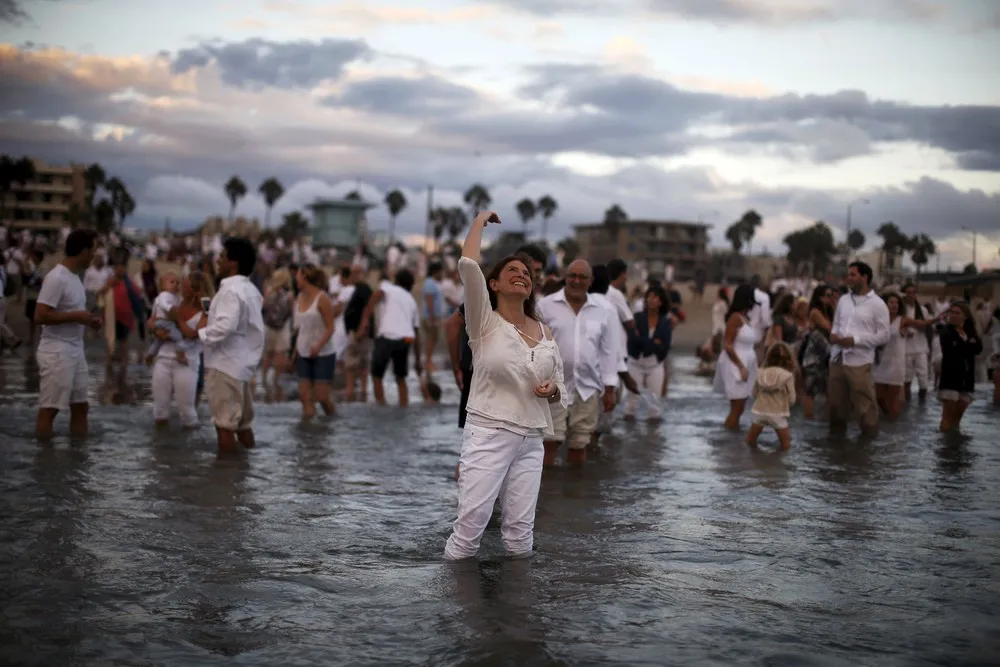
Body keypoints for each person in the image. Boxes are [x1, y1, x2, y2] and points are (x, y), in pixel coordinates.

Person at [444, 211, 565, 561]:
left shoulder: (545, 332)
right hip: (488, 432)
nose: (521, 275)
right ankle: (453, 610)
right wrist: (480, 220)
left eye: (526, 273)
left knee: (520, 538)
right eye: (511, 270)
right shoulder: (484, 321)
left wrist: (551, 390)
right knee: (469, 533)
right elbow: (468, 264)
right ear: (493, 284)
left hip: (532, 439)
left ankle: (515, 613)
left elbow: (558, 386)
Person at [536, 259, 619, 467]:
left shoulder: (604, 310)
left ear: (590, 281)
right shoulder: (545, 306)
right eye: (572, 275)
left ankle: (575, 493)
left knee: (580, 444)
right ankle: (547, 494)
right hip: (552, 387)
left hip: (587, 388)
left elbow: (608, 351)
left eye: (582, 277)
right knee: (549, 442)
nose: (576, 281)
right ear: (565, 277)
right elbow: (534, 345)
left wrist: (610, 388)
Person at [198, 237, 265, 456]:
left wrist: (199, 332)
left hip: (225, 365)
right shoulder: (252, 290)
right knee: (243, 425)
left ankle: (227, 479)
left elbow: (225, 327)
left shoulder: (229, 290)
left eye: (222, 256)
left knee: (224, 426)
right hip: (242, 366)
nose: (218, 260)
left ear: (233, 262)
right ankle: (247, 468)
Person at [34, 230, 102, 439]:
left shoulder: (74, 277)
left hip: (75, 350)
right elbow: (40, 315)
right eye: (93, 249)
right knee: (50, 408)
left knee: (81, 407)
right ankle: (45, 461)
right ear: (83, 251)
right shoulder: (57, 277)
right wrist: (76, 316)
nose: (94, 255)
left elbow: (72, 314)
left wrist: (88, 321)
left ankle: (78, 460)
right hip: (56, 351)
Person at [827, 262, 891, 436]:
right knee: (835, 406)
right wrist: (834, 335)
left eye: (853, 275)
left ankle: (867, 450)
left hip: (860, 362)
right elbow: (837, 324)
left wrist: (855, 341)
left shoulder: (878, 304)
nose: (849, 278)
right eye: (848, 274)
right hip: (837, 358)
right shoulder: (843, 300)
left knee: (865, 408)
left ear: (865, 277)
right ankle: (836, 448)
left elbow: (884, 335)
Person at [151, 272, 210, 428]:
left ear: (195, 288)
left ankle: (190, 447)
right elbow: (152, 321)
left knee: (187, 412)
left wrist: (177, 320)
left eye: (184, 283)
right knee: (159, 411)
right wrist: (157, 331)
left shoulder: (205, 310)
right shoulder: (172, 301)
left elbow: (193, 334)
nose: (180, 286)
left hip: (187, 362)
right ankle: (161, 449)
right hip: (163, 358)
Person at [358, 268, 422, 407]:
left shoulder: (389, 288)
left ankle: (381, 406)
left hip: (387, 336)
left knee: (376, 376)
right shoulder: (412, 300)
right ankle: (403, 406)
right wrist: (417, 360)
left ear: (396, 280)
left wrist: (364, 321)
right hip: (406, 339)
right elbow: (416, 332)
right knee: (401, 378)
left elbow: (377, 294)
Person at [874, 292, 934, 419]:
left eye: (896, 302)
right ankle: (888, 420)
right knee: (879, 398)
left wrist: (938, 318)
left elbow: (922, 323)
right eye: (891, 302)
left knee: (893, 400)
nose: (894, 305)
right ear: (885, 304)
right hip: (880, 363)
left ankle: (895, 431)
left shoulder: (903, 320)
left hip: (896, 365)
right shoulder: (879, 320)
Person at [292, 264, 339, 418]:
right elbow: (300, 329)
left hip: (324, 353)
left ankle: (333, 421)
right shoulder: (299, 298)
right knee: (304, 397)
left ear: (304, 276)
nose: (295, 278)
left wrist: (318, 346)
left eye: (297, 275)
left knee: (322, 397)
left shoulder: (322, 298)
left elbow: (331, 327)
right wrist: (294, 354)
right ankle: (308, 436)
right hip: (303, 353)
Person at [713, 284, 759, 430]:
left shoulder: (745, 318)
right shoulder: (735, 318)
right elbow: (727, 344)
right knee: (737, 408)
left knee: (740, 408)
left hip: (745, 363)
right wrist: (741, 366)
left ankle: (732, 438)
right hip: (736, 365)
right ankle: (728, 440)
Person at [624, 284, 673, 421]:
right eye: (649, 296)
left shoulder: (665, 322)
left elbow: (665, 346)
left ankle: (653, 440)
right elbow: (633, 339)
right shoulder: (637, 318)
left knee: (655, 407)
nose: (651, 299)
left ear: (661, 301)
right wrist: (654, 343)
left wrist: (646, 342)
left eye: (655, 297)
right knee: (631, 405)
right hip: (635, 363)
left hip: (655, 365)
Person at [937, 301, 983, 432]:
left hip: (967, 378)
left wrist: (966, 344)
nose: (953, 315)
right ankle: (944, 445)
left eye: (957, 313)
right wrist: (968, 344)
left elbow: (978, 348)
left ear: (965, 316)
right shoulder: (946, 331)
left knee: (958, 417)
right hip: (950, 377)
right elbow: (952, 349)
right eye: (952, 312)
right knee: (947, 416)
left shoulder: (970, 331)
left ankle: (955, 444)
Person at [747, 342, 797, 451]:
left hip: (760, 411)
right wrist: (787, 406)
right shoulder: (788, 376)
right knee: (786, 446)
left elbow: (754, 393)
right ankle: (777, 463)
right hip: (778, 413)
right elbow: (792, 398)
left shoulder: (760, 372)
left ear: (768, 356)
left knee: (750, 442)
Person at [260, 268, 294, 402]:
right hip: (283, 327)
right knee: (280, 354)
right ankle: (276, 379)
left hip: (269, 326)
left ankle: (263, 377)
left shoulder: (269, 291)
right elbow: (293, 312)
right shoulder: (290, 294)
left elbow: (263, 306)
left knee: (268, 353)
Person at [143, 271, 190, 367]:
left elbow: (154, 311)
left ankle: (150, 355)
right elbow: (164, 305)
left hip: (160, 322)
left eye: (177, 283)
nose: (175, 285)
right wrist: (170, 308)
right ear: (162, 286)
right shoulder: (164, 295)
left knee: (158, 342)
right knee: (178, 337)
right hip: (165, 321)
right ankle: (180, 355)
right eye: (172, 282)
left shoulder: (175, 297)